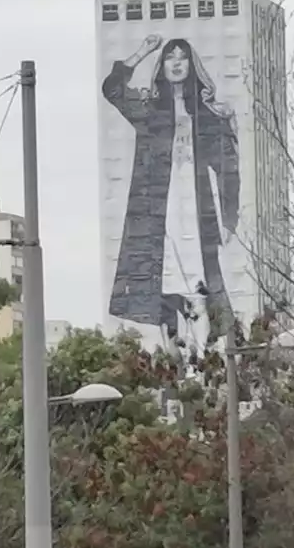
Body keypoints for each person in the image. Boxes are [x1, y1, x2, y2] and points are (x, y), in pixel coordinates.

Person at [101, 34, 240, 348]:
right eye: (170, 57)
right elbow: (112, 90)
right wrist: (142, 51)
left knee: (198, 286)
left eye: (182, 57)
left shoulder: (210, 115)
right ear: (161, 65)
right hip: (156, 210)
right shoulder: (149, 112)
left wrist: (229, 218)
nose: (176, 63)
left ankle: (204, 360)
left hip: (194, 210)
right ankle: (173, 362)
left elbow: (229, 167)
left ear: (192, 65)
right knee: (160, 286)